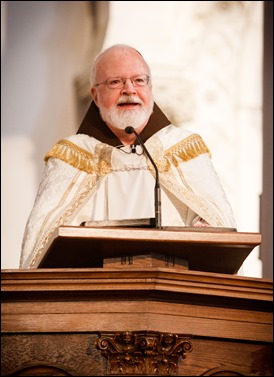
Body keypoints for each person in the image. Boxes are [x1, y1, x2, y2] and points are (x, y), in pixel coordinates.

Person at [20, 44, 236, 269]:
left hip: (172, 288)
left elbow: (217, 225)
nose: (129, 90)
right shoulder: (74, 156)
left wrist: (205, 226)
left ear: (150, 87)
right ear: (95, 95)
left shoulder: (182, 149)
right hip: (93, 293)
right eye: (115, 82)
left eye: (139, 80)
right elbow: (44, 236)